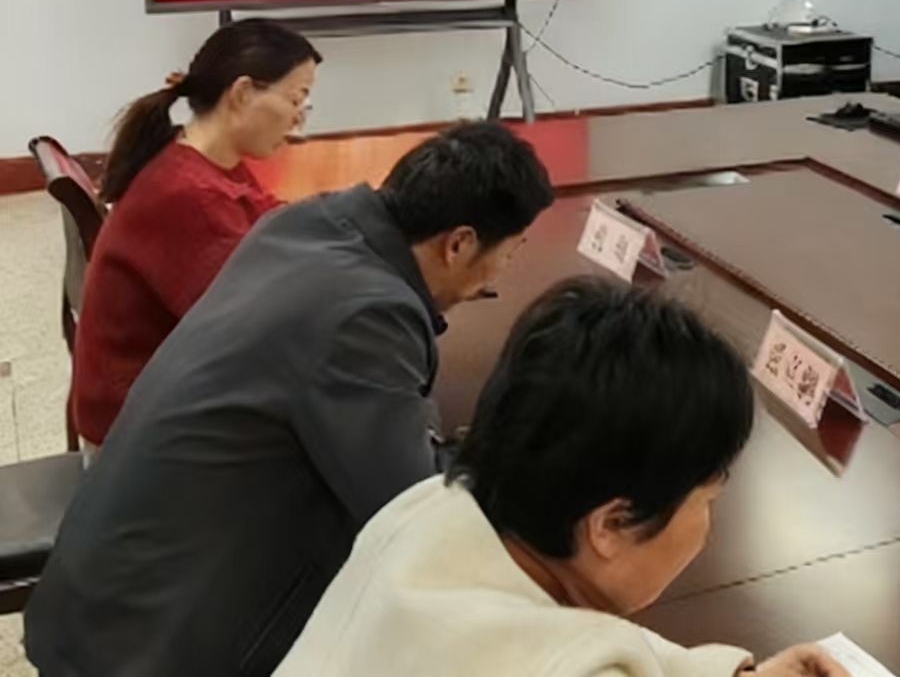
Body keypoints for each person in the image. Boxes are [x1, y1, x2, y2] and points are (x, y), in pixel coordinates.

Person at [26, 123, 556, 677]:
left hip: (100, 600)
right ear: (460, 243)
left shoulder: (306, 224)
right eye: (511, 253)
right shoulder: (366, 317)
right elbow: (412, 509)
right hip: (151, 650)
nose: (502, 272)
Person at [274, 278, 849, 677]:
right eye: (708, 498)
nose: (708, 528)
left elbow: (582, 643)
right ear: (611, 524)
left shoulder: (430, 507)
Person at [73, 18, 321, 446]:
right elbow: (255, 334)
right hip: (135, 435)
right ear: (242, 93)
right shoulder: (190, 196)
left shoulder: (201, 158)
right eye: (296, 98)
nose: (300, 116)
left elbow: (267, 217)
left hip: (160, 399)